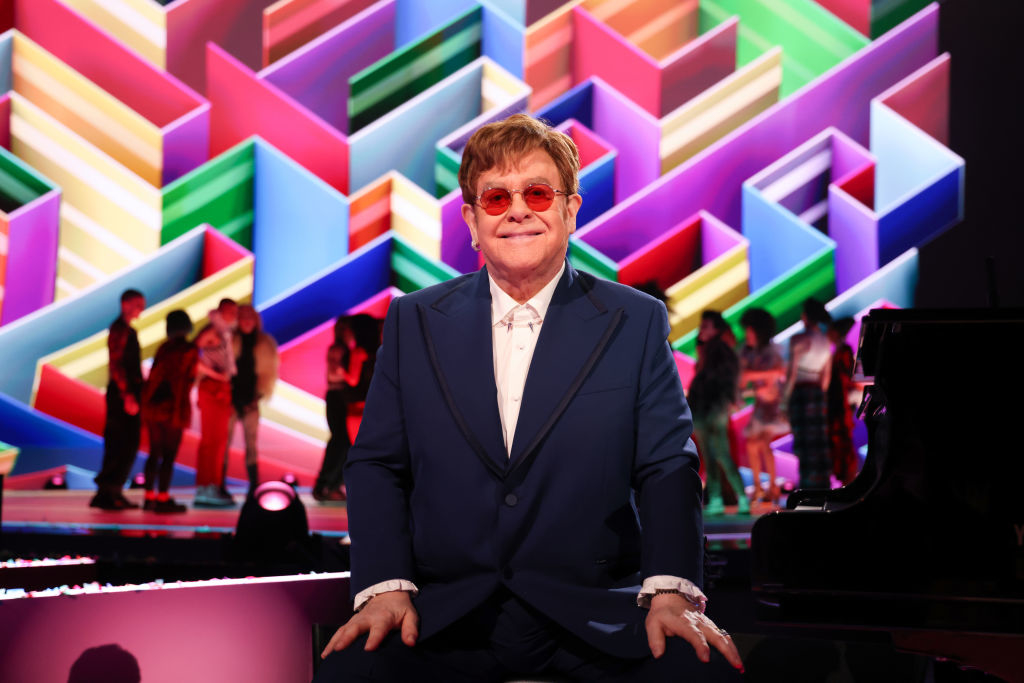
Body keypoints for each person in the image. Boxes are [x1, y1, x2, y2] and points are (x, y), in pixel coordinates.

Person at [316, 114, 742, 682]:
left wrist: (669, 591)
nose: (518, 210)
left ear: (570, 209)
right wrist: (387, 586)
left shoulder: (634, 320)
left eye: (538, 193)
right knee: (350, 673)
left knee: (700, 671)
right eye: (496, 198)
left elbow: (667, 466)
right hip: (444, 614)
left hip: (594, 611)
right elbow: (377, 464)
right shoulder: (414, 319)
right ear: (471, 220)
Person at [91, 289, 146, 511]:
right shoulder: (119, 331)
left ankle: (114, 490)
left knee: (128, 443)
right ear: (125, 304)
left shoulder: (127, 330)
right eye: (137, 304)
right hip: (121, 396)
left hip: (128, 393)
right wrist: (127, 395)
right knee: (119, 442)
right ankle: (107, 492)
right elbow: (116, 365)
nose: (140, 309)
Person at [314, 314, 379, 503]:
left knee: (344, 443)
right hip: (340, 398)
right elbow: (339, 377)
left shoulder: (349, 350)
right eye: (345, 328)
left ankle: (332, 484)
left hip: (345, 399)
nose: (348, 332)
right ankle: (326, 484)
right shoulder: (341, 350)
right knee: (341, 441)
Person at [689, 311, 748, 517]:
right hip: (708, 408)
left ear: (716, 329)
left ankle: (732, 497)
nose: (701, 330)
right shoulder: (711, 350)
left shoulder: (719, 351)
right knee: (714, 455)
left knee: (718, 454)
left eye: (705, 325)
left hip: (711, 408)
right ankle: (725, 498)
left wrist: (727, 400)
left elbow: (723, 379)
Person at [140, 310, 198, 513]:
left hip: (154, 407)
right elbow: (184, 381)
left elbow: (155, 376)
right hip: (173, 407)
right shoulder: (189, 350)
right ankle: (162, 498)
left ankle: (149, 497)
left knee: (154, 453)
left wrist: (146, 403)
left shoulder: (164, 348)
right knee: (169, 455)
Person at [221, 304, 279, 497]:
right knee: (223, 443)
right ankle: (219, 484)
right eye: (242, 317)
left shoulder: (264, 344)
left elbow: (268, 376)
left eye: (249, 317)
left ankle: (254, 486)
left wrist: (256, 397)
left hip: (251, 399)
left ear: (255, 320)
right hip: (229, 397)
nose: (246, 321)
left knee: (251, 443)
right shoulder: (228, 340)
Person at [739, 308, 788, 505]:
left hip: (773, 406)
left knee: (760, 443)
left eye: (749, 330)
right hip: (762, 405)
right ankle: (765, 486)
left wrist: (753, 375)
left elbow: (778, 373)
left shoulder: (771, 351)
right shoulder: (749, 353)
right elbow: (743, 380)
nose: (746, 335)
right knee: (756, 444)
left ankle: (768, 486)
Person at [785, 298, 833, 490]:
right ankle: (822, 484)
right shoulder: (825, 341)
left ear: (805, 316)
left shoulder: (798, 339)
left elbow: (792, 374)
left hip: (801, 394)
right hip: (817, 394)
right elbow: (826, 377)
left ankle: (807, 485)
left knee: (804, 441)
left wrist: (784, 401)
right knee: (819, 440)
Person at [193, 321, 235, 507]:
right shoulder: (211, 334)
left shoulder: (228, 339)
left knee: (219, 442)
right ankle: (206, 486)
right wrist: (216, 375)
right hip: (212, 390)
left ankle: (212, 486)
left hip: (224, 391)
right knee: (211, 441)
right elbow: (193, 356)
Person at [827, 317, 859, 485]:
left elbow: (850, 375)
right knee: (838, 441)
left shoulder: (844, 351)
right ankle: (845, 480)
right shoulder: (838, 351)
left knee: (843, 440)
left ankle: (849, 480)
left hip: (842, 403)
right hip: (836, 403)